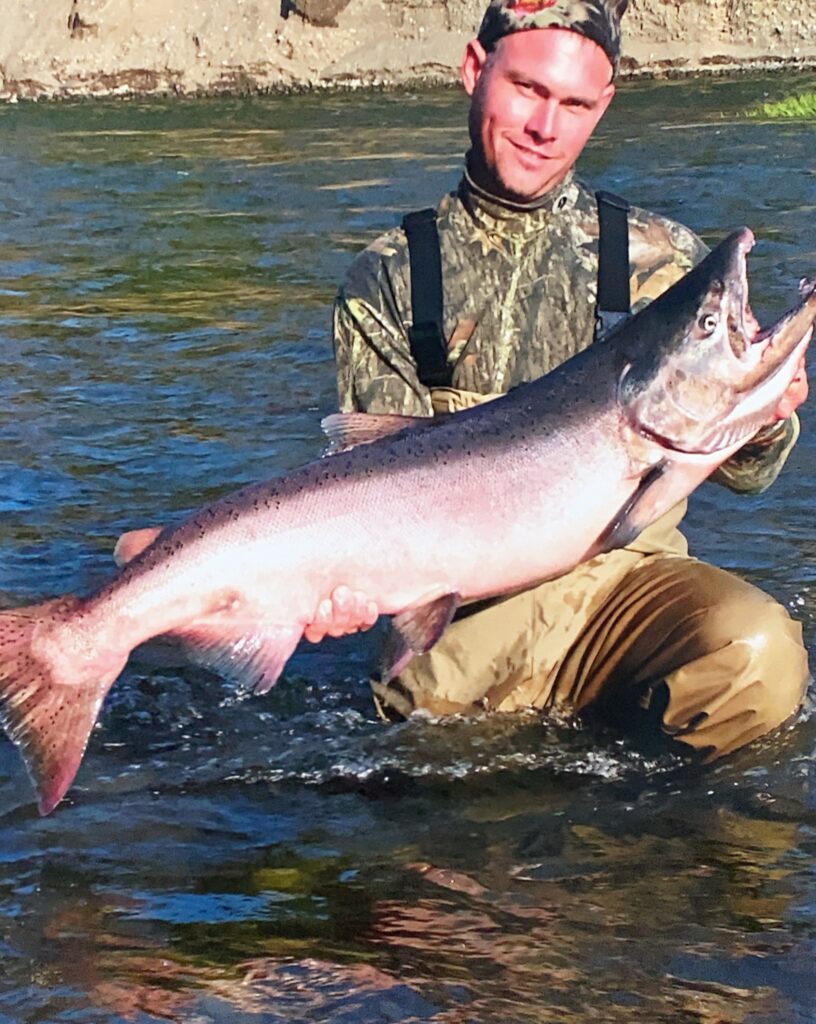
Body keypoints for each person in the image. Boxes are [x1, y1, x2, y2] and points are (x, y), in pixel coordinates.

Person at [306, 0, 810, 760]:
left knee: (762, 655)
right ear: (475, 71)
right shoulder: (391, 277)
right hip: (466, 627)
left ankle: (647, 848)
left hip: (626, 592)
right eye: (528, 90)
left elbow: (751, 477)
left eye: (574, 104)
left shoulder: (661, 255)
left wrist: (763, 413)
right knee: (429, 792)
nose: (547, 126)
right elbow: (368, 476)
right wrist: (339, 585)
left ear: (602, 108)